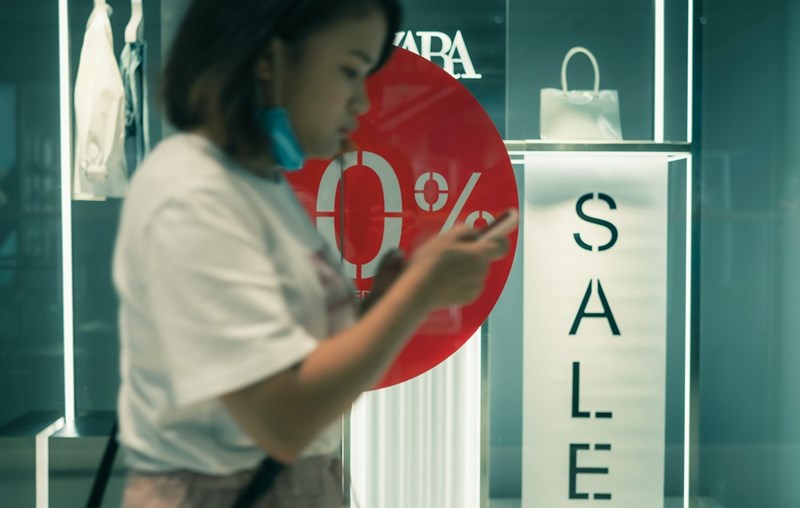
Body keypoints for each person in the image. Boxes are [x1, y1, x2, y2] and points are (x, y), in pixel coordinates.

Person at [112, 0, 508, 506]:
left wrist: (383, 304)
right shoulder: (194, 195)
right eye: (349, 70)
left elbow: (302, 362)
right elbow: (281, 420)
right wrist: (417, 292)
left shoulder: (261, 186)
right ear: (268, 59)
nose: (362, 102)